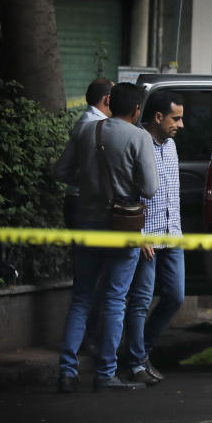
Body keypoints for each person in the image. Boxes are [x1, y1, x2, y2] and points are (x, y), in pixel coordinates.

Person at [53, 83, 158, 392]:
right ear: (137, 110)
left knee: (82, 298)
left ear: (110, 104)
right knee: (114, 300)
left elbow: (60, 172)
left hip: (85, 225)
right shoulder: (139, 137)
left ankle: (67, 372)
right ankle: (106, 374)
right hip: (121, 229)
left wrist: (89, 181)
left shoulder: (87, 131)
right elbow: (150, 189)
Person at [123, 91, 185, 386]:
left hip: (173, 235)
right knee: (140, 301)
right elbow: (128, 192)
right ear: (158, 117)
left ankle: (142, 351)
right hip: (146, 238)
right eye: (177, 118)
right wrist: (138, 235)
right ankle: (135, 361)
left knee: (175, 296)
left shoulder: (171, 146)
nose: (181, 124)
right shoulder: (137, 143)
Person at [63, 78, 114, 229]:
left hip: (77, 200)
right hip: (87, 203)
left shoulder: (86, 121)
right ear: (108, 99)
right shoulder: (97, 126)